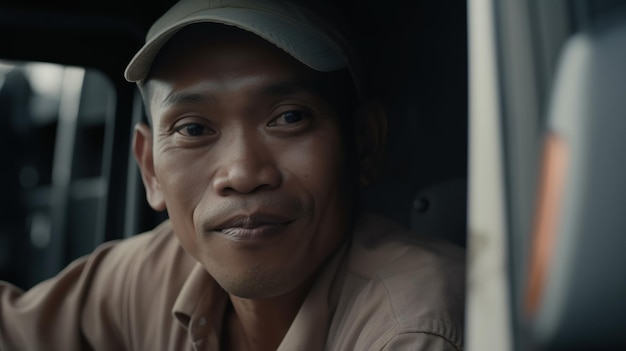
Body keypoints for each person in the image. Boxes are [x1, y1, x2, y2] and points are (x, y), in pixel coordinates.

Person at [0, 0, 465, 350]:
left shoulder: (412, 324)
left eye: (289, 118)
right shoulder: (155, 272)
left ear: (363, 142)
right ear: (150, 169)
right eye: (194, 129)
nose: (243, 173)